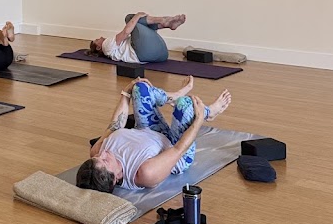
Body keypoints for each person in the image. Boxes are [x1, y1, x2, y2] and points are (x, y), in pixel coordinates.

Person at [76, 77, 231, 193]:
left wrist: (126, 92)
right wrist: (199, 120)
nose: (103, 152)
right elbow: (179, 149)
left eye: (98, 157)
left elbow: (114, 125)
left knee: (139, 87)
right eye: (104, 160)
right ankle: (210, 113)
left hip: (148, 129)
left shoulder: (96, 152)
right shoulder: (144, 173)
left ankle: (175, 95)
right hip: (176, 146)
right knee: (185, 105)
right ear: (115, 177)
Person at [90, 12, 187, 64]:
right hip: (143, 53)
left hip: (162, 55)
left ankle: (168, 23)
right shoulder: (106, 45)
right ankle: (164, 21)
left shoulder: (111, 51)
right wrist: (137, 16)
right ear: (98, 47)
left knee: (142, 24)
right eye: (97, 40)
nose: (100, 37)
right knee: (130, 18)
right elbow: (125, 32)